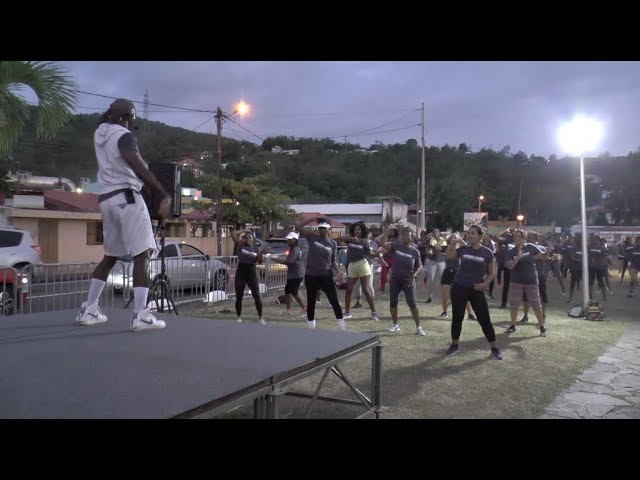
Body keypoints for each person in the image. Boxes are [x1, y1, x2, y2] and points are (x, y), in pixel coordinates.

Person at [75, 98, 171, 331]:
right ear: (128, 117)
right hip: (127, 198)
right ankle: (141, 315)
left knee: (110, 256)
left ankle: (89, 309)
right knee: (143, 253)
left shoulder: (100, 133)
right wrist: (162, 193)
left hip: (107, 200)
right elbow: (136, 164)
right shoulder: (124, 136)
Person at [444, 225, 502, 359]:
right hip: (459, 287)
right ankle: (454, 345)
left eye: (473, 233)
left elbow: (492, 273)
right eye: (468, 233)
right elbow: (448, 256)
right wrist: (452, 243)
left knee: (484, 319)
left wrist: (485, 285)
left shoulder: (487, 252)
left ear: (480, 236)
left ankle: (494, 347)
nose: (469, 235)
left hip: (477, 289)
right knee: (457, 318)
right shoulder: (463, 249)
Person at [296, 216, 346, 331]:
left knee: (334, 301)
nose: (322, 230)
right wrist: (312, 218)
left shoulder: (332, 243)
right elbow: (298, 226)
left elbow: (332, 261)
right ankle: (311, 327)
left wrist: (339, 272)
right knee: (311, 301)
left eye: (325, 228)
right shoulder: (312, 237)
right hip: (311, 275)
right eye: (320, 228)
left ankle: (342, 327)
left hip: (326, 276)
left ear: (329, 230)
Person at [504, 229, 550, 336]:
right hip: (516, 281)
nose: (517, 239)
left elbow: (543, 256)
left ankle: (541, 326)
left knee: (536, 304)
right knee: (514, 304)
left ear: (523, 238)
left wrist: (548, 251)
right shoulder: (511, 251)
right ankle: (513, 325)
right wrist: (518, 258)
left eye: (519, 236)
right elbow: (510, 266)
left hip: (531, 280)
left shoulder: (530, 247)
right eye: (515, 237)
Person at [379, 226, 424, 335]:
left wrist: (413, 276)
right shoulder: (396, 246)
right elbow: (382, 243)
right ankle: (395, 325)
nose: (405, 236)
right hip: (395, 279)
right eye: (403, 235)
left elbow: (419, 266)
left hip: (408, 280)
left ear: (411, 238)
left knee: (412, 303)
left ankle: (419, 327)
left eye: (407, 235)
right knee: (393, 302)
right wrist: (387, 231)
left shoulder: (415, 252)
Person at [338, 222, 379, 321]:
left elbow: (369, 255)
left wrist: (377, 254)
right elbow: (339, 240)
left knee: (365, 289)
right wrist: (349, 238)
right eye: (355, 229)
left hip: (362, 264)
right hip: (352, 265)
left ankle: (374, 312)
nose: (357, 231)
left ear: (362, 231)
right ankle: (347, 312)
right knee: (349, 289)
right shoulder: (350, 240)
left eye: (359, 229)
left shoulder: (365, 242)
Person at [230, 229, 268, 324]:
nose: (248, 240)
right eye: (246, 238)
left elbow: (260, 261)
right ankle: (238, 317)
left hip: (252, 272)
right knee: (239, 296)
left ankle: (260, 317)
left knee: (257, 295)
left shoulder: (256, 249)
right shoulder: (240, 245)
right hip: (241, 271)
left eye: (250, 238)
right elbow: (233, 233)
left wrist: (260, 252)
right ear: (243, 239)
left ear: (253, 239)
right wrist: (245, 230)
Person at [272, 231, 307, 316]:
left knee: (294, 292)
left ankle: (305, 309)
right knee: (287, 291)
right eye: (288, 239)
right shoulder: (292, 248)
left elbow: (289, 261)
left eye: (290, 239)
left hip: (297, 274)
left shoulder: (295, 249)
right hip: (293, 274)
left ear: (295, 240)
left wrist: (275, 259)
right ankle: (289, 310)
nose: (288, 241)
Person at [425, 228, 447, 303]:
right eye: (433, 232)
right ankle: (429, 297)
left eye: (436, 232)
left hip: (441, 261)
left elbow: (443, 249)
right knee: (431, 279)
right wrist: (430, 252)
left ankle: (445, 297)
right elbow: (433, 248)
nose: (435, 233)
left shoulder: (443, 240)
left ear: (439, 233)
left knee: (443, 279)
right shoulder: (432, 240)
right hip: (432, 261)